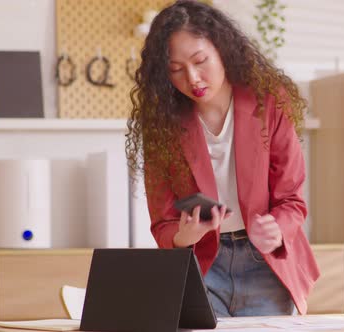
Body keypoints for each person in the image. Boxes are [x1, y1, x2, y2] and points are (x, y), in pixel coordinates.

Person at [125, 0, 319, 317]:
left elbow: (292, 201)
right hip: (202, 266)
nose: (193, 78)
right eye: (176, 70)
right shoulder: (163, 123)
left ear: (222, 49)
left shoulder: (268, 101)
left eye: (200, 61)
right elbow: (162, 222)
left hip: (265, 264)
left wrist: (276, 228)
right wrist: (182, 237)